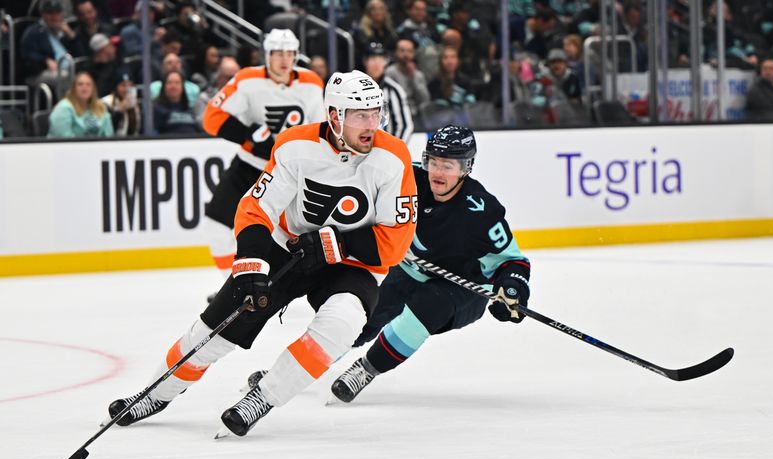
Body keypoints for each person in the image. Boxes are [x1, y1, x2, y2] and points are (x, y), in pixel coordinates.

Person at [106, 70, 418, 438]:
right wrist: (251, 265)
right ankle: (156, 392)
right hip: (289, 247)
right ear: (335, 116)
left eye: (376, 113)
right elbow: (256, 208)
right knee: (217, 329)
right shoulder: (294, 145)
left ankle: (263, 397)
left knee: (343, 322)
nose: (372, 124)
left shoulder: (393, 156)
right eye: (360, 115)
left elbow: (396, 240)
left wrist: (337, 244)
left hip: (352, 265)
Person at [322, 125, 530, 403]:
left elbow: (514, 263)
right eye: (433, 161)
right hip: (410, 269)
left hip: (463, 289)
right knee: (361, 315)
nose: (438, 172)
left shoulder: (481, 211)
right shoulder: (407, 177)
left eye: (448, 165)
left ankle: (366, 369)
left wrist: (513, 291)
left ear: (466, 167)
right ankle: (299, 369)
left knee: (429, 304)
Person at [202, 29, 325, 277]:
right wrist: (250, 137)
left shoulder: (311, 83)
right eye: (278, 53)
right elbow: (211, 117)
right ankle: (232, 284)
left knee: (288, 235)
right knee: (216, 227)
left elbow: (320, 130)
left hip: (289, 173)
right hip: (248, 166)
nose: (284, 59)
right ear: (267, 55)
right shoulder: (247, 79)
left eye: (289, 53)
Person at [19, 0, 81, 86]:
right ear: (43, 14)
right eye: (50, 13)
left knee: (85, 74)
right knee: (66, 77)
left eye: (57, 13)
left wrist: (71, 35)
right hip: (41, 73)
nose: (54, 17)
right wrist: (45, 60)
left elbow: (81, 53)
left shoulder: (66, 31)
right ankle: (68, 100)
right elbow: (27, 54)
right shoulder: (34, 32)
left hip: (69, 68)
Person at [362, 42, 414, 143]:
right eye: (372, 59)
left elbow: (405, 126)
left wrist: (394, 151)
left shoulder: (394, 90)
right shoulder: (353, 89)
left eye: (380, 59)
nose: (377, 64)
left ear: (385, 62)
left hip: (386, 150)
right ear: (365, 61)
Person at [47, 71, 113, 138]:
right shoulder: (63, 108)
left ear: (93, 89)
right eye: (80, 84)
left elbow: (109, 136)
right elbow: (64, 139)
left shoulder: (100, 107)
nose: (84, 87)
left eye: (88, 84)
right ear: (73, 89)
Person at [385, 38, 431, 121]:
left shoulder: (418, 75)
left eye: (409, 51)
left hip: (415, 115)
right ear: (396, 52)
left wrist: (413, 77)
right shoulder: (389, 72)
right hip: (394, 114)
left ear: (414, 54)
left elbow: (425, 99)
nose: (406, 54)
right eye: (402, 51)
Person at [193, 56, 240, 125]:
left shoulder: (246, 97)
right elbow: (202, 122)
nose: (234, 81)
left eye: (237, 78)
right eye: (230, 78)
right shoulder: (205, 98)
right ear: (219, 77)